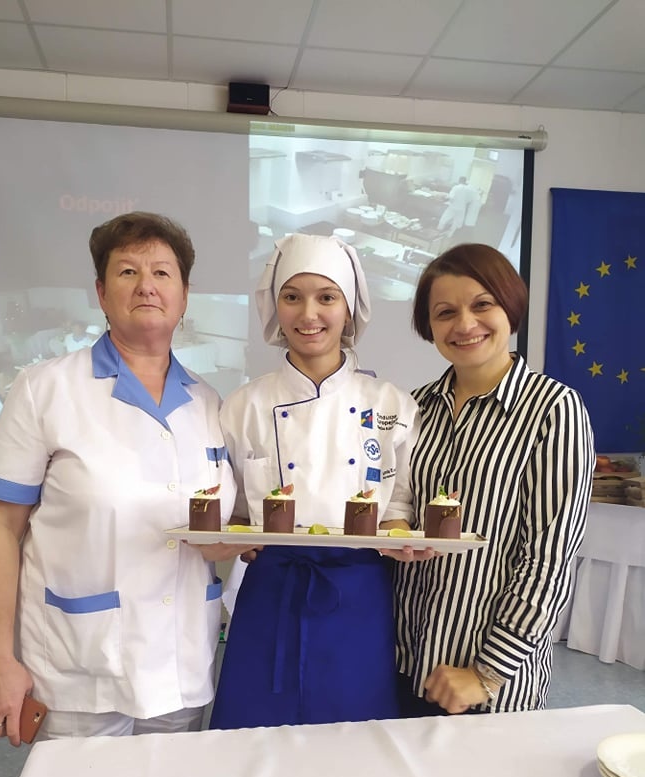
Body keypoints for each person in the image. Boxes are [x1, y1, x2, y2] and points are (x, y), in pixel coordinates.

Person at [0, 211, 236, 744]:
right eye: (128, 271)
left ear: (184, 295)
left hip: (180, 665)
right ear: (100, 292)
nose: (146, 286)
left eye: (162, 273)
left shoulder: (209, 403)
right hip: (80, 666)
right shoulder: (45, 388)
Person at [209, 233, 422, 729]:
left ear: (349, 310)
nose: (309, 314)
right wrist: (237, 536)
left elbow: (398, 506)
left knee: (354, 736)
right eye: (292, 297)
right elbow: (234, 510)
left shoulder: (390, 403)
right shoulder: (242, 406)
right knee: (253, 736)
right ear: (275, 307)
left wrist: (401, 537)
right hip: (270, 591)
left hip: (359, 592)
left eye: (327, 297)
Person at [392, 243, 595, 716]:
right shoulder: (413, 408)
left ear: (510, 307)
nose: (465, 324)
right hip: (403, 660)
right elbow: (393, 507)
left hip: (486, 685)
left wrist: (487, 673)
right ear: (429, 325)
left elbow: (549, 559)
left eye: (482, 304)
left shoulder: (554, 410)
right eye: (445, 312)